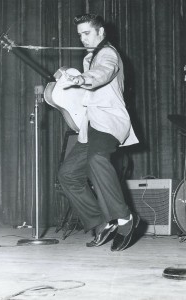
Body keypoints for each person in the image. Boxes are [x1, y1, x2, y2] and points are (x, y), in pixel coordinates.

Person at [58, 13, 139, 251]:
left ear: (101, 32)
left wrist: (82, 78)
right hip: (91, 126)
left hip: (109, 121)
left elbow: (102, 73)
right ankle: (103, 222)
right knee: (68, 174)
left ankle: (125, 219)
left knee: (97, 159)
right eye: (80, 35)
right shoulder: (90, 57)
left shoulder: (108, 53)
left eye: (87, 33)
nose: (83, 39)